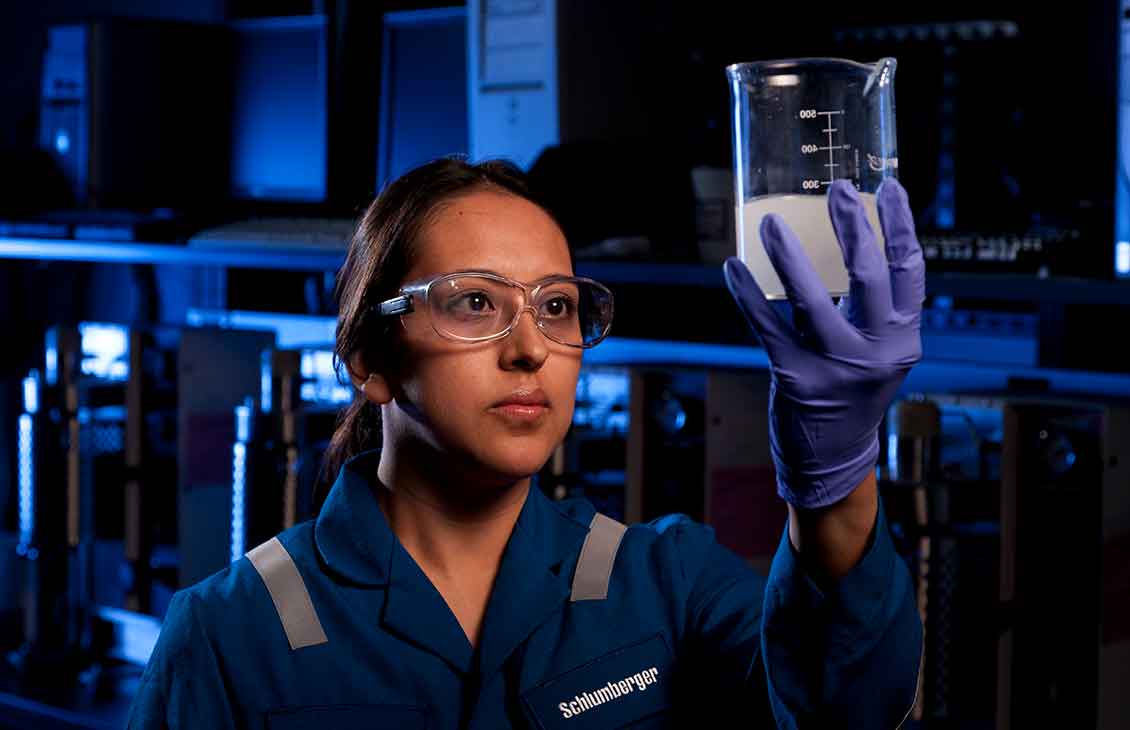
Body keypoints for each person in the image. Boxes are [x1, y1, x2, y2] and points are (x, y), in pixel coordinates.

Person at [127, 157, 925, 729]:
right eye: (475, 303)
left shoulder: (665, 587)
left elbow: (840, 707)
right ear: (370, 362)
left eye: (556, 307)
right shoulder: (232, 634)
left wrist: (836, 483)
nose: (530, 349)